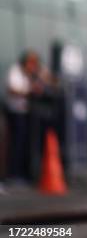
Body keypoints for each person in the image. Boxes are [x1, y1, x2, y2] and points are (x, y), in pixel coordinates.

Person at [3, 50, 49, 183]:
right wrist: (29, 91)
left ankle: (24, 174)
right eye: (31, 63)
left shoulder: (33, 74)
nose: (33, 66)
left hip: (27, 112)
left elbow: (49, 80)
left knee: (26, 144)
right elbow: (12, 90)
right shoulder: (15, 71)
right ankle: (13, 174)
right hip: (15, 112)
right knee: (16, 143)